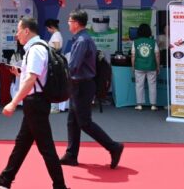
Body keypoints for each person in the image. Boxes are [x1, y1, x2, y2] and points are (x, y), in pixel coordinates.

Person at [0, 17, 68, 189]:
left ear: (27, 31)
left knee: (46, 148)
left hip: (35, 103)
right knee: (22, 143)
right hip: (37, 102)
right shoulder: (41, 47)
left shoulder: (35, 50)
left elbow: (31, 79)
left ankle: (60, 187)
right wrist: (20, 74)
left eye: (18, 30)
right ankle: (6, 179)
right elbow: (35, 76)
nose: (17, 35)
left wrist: (13, 103)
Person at [61, 9, 123, 169]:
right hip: (80, 84)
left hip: (82, 85)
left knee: (84, 123)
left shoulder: (82, 41)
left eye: (69, 21)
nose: (68, 23)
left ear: (76, 23)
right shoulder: (82, 39)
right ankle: (71, 155)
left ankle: (113, 147)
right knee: (72, 121)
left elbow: (73, 66)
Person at [131, 23, 160, 111]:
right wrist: (158, 66)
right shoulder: (153, 42)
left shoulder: (135, 42)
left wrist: (133, 66)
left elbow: (133, 55)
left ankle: (139, 105)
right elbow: (157, 55)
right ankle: (153, 105)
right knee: (152, 85)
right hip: (151, 66)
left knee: (139, 85)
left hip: (139, 66)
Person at [45, 18, 65, 113]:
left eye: (48, 28)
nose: (47, 30)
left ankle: (54, 107)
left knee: (53, 84)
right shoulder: (57, 35)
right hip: (55, 62)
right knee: (54, 84)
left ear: (51, 27)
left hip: (54, 63)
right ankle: (54, 106)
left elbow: (56, 49)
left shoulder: (56, 35)